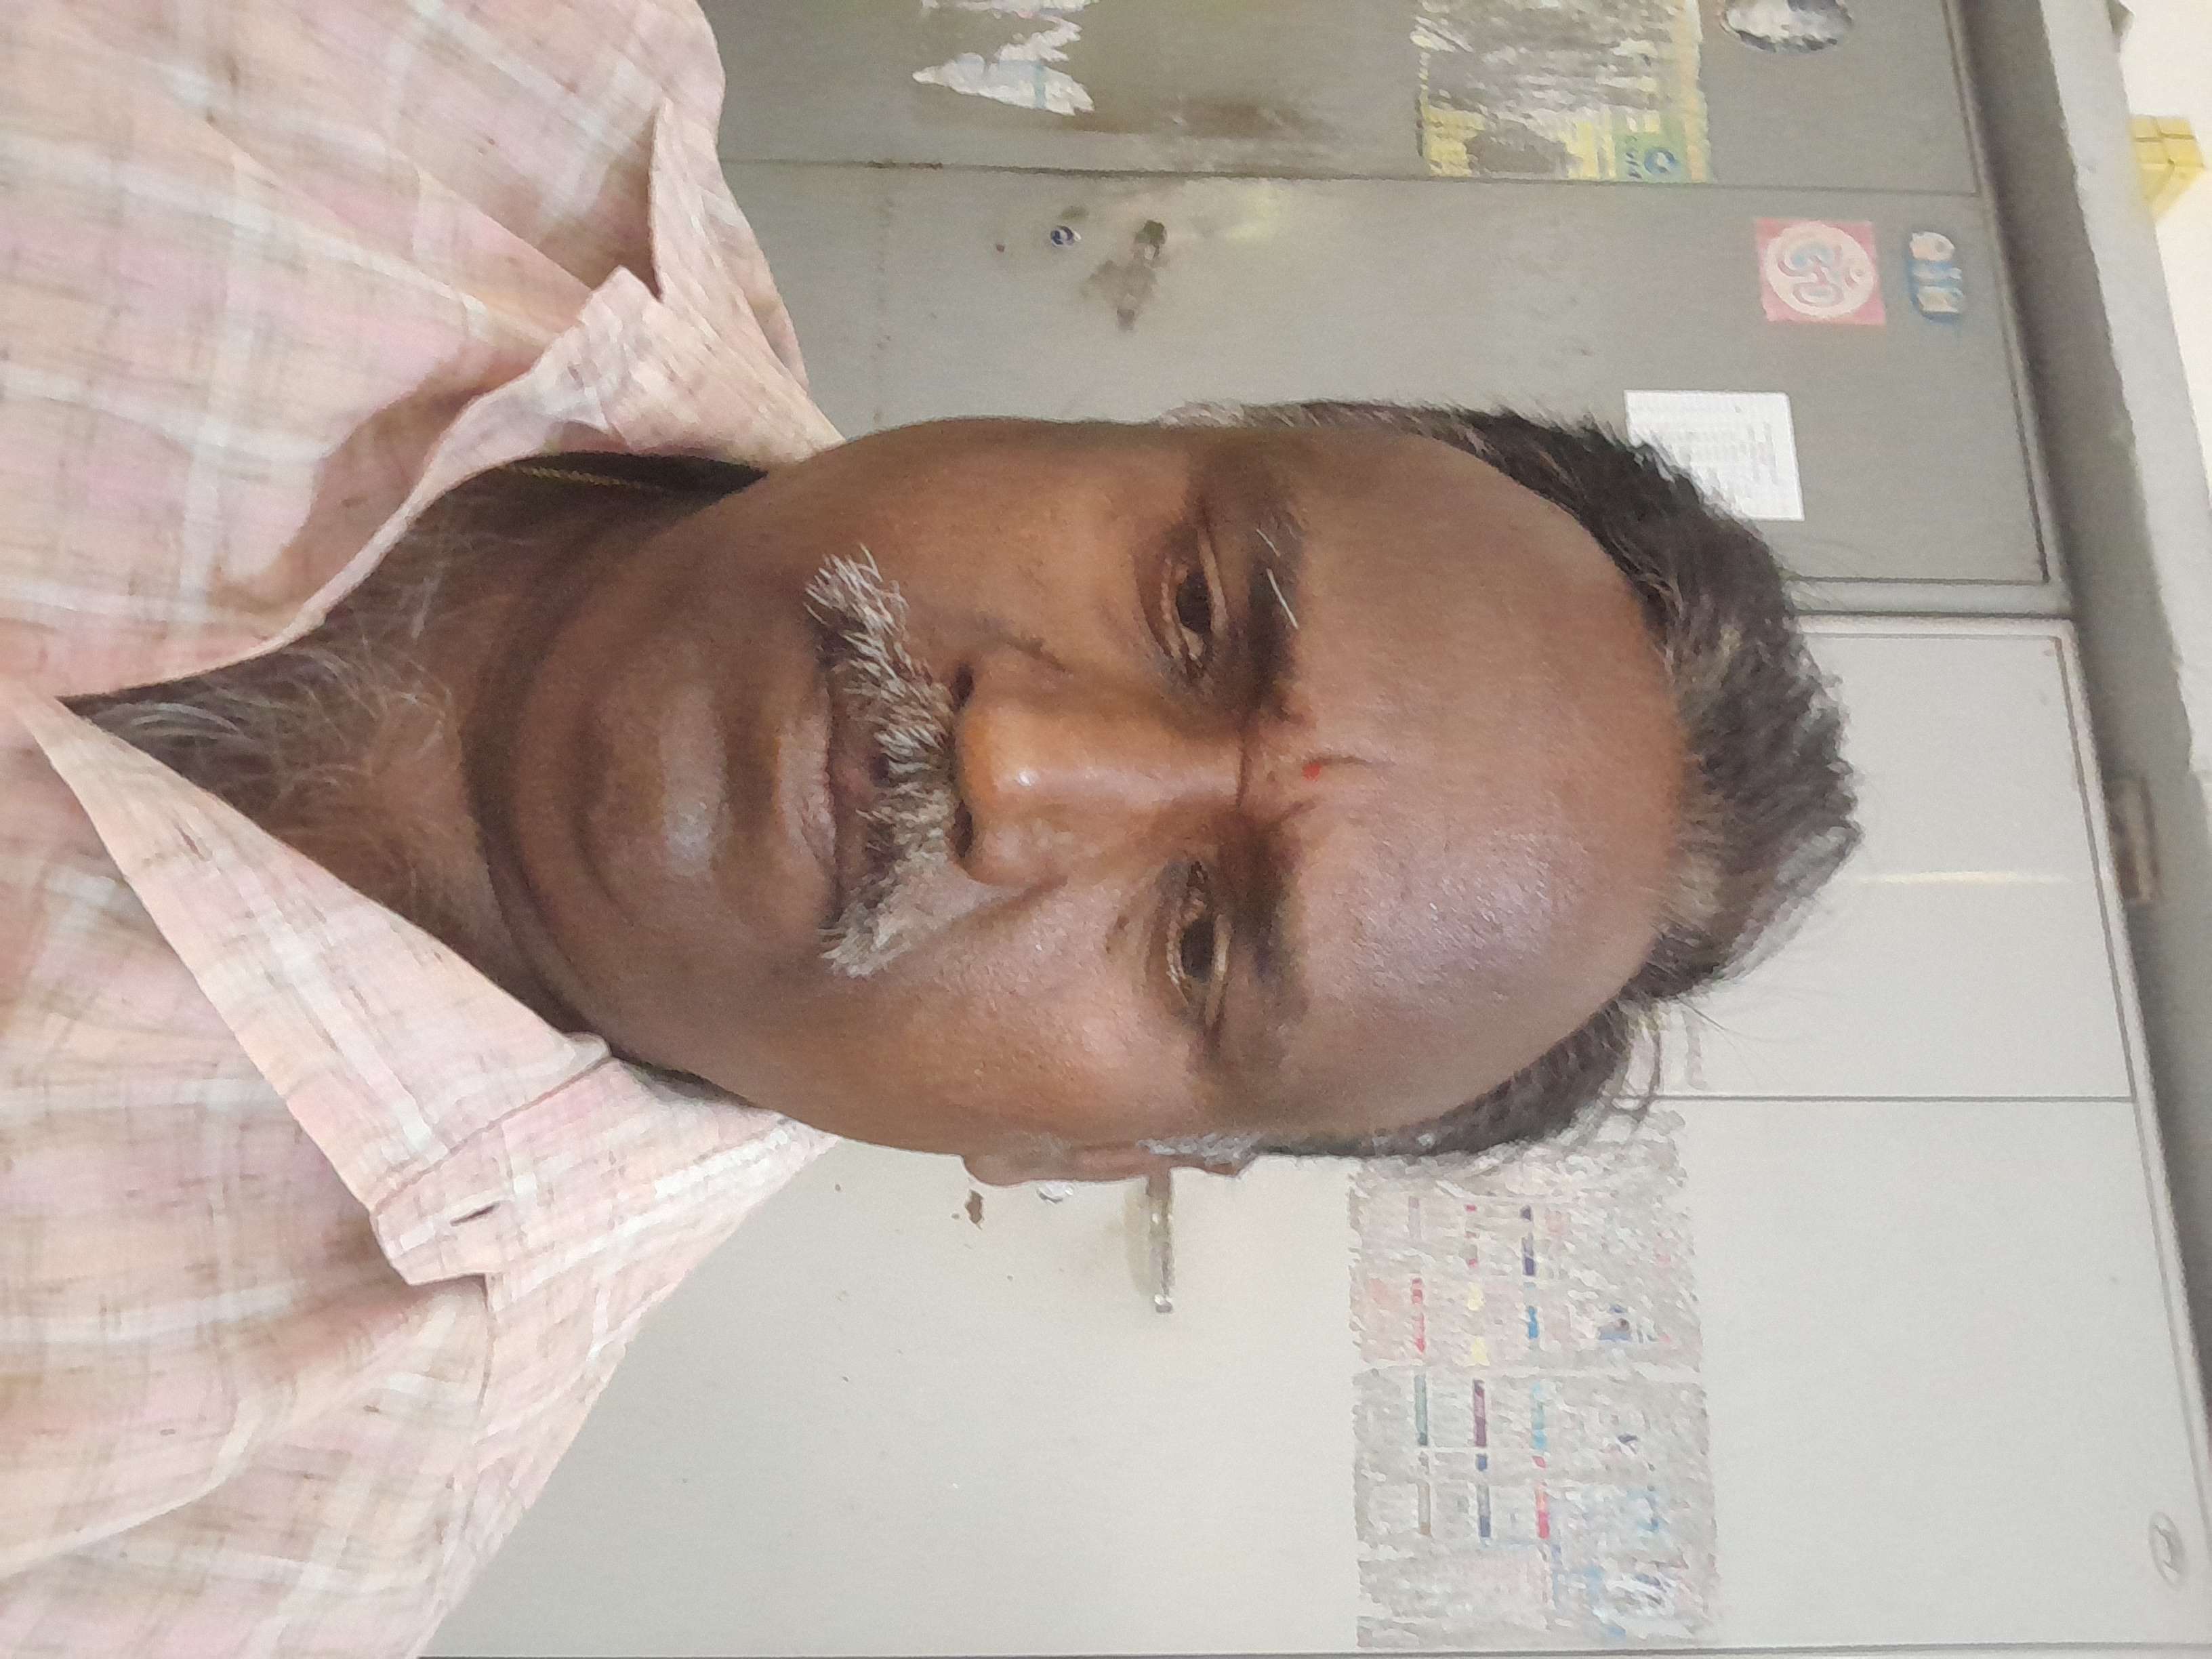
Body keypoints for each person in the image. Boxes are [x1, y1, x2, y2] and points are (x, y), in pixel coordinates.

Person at [0, 0, 1856, 1652]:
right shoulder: (478, 61)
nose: (1021, 767)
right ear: (1110, 426)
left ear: (1087, 1154)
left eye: (1199, 941)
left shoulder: (225, 1529)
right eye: (1195, 611)